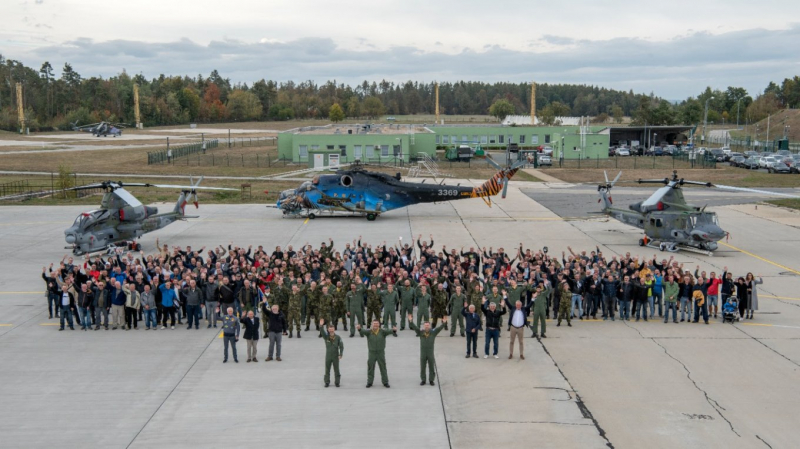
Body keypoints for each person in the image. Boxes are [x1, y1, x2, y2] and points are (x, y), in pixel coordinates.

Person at [408, 315, 447, 385]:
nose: (426, 326)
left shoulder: (433, 332)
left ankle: (431, 380)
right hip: (423, 353)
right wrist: (411, 321)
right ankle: (423, 380)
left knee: (431, 366)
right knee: (423, 367)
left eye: (428, 325)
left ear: (429, 326)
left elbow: (440, 328)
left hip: (430, 353)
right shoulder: (421, 332)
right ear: (424, 326)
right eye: (425, 325)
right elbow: (415, 328)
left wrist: (444, 323)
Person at [357, 320, 396, 388]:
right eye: (374, 323)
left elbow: (390, 331)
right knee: (370, 367)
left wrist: (394, 330)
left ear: (379, 325)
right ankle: (369, 382)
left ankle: (385, 382)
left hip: (380, 353)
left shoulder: (382, 331)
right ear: (372, 324)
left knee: (383, 367)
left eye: (377, 323)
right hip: (372, 353)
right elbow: (362, 331)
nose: (375, 325)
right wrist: (359, 328)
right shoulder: (369, 332)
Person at [322, 322, 344, 387]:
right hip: (328, 356)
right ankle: (327, 382)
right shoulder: (326, 337)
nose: (331, 330)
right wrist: (321, 326)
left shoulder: (338, 337)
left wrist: (341, 354)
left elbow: (341, 346)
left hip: (335, 356)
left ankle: (337, 382)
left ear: (334, 329)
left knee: (336, 369)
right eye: (330, 329)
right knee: (327, 369)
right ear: (328, 329)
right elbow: (322, 332)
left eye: (332, 329)